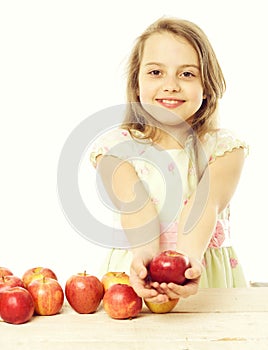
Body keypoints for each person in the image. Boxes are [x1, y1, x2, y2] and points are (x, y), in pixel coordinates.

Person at [90, 17, 248, 303]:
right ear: (136, 83)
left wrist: (187, 260)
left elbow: (205, 204)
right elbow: (136, 206)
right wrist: (146, 257)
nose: (171, 85)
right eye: (155, 72)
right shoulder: (115, 149)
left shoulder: (224, 148)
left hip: (204, 277)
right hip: (136, 275)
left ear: (207, 87)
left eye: (187, 74)